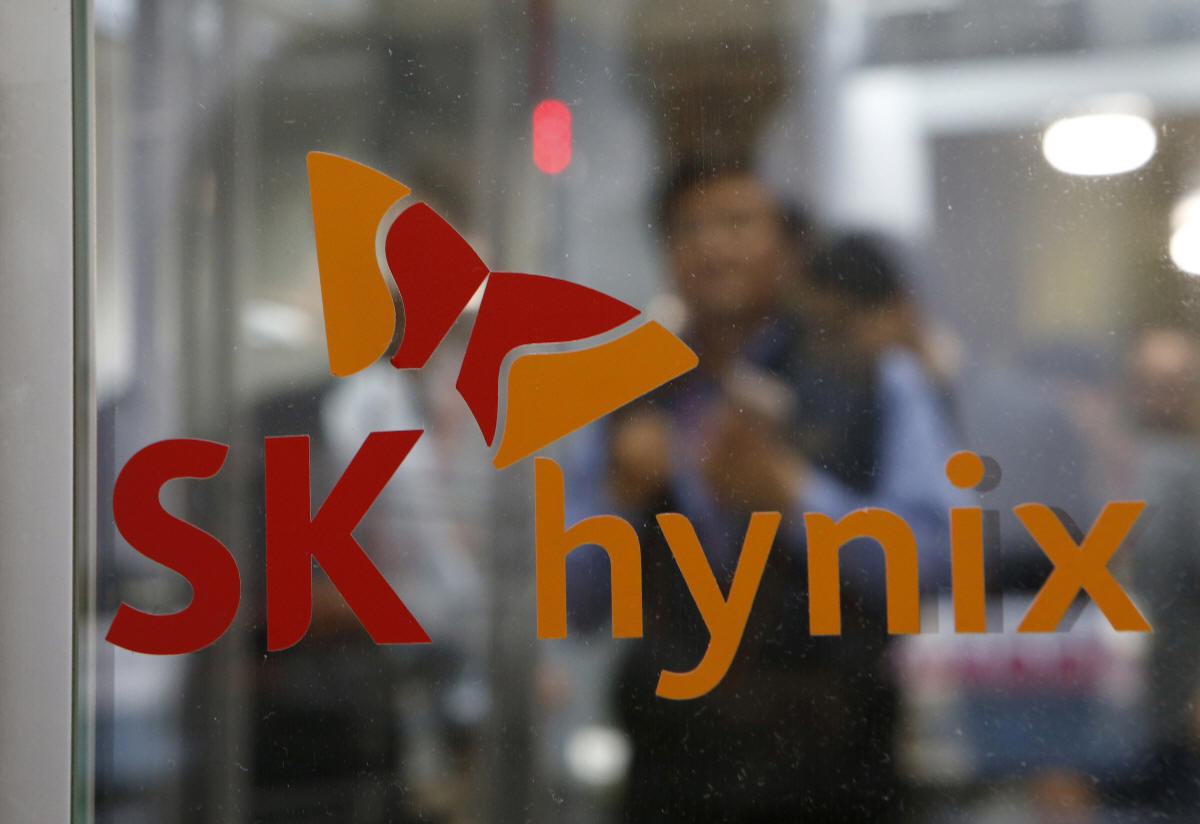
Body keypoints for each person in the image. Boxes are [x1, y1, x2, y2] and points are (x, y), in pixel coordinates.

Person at [565, 158, 963, 822]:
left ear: (788, 248)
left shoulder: (873, 377)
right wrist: (621, 497)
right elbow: (570, 604)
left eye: (738, 224)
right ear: (667, 253)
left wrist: (795, 497)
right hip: (673, 769)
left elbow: (939, 559)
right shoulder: (627, 392)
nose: (714, 248)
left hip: (836, 765)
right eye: (691, 228)